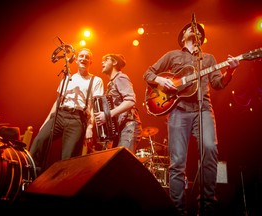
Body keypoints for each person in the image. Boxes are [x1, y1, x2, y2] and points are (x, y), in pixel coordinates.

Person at [143, 21, 240, 216]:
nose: (194, 29)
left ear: (202, 38)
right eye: (190, 28)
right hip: (178, 109)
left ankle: (206, 207)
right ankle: (177, 210)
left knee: (210, 150)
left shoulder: (209, 58)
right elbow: (148, 73)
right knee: (177, 161)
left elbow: (218, 84)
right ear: (183, 35)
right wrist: (161, 79)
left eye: (198, 29)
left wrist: (230, 70)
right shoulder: (173, 55)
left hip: (203, 108)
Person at [30, 48, 104, 175]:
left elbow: (94, 106)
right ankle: (31, 173)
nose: (83, 59)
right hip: (60, 115)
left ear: (91, 62)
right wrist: (46, 121)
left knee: (68, 156)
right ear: (76, 60)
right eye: (81, 56)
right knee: (39, 140)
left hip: (77, 119)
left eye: (87, 57)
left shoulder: (96, 80)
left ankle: (62, 183)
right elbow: (58, 101)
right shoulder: (67, 78)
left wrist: (90, 127)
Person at [94, 54, 142, 154]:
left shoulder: (121, 77)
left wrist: (107, 115)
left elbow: (130, 100)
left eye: (106, 60)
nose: (102, 62)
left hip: (129, 125)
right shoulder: (111, 83)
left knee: (122, 162)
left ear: (114, 62)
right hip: (121, 128)